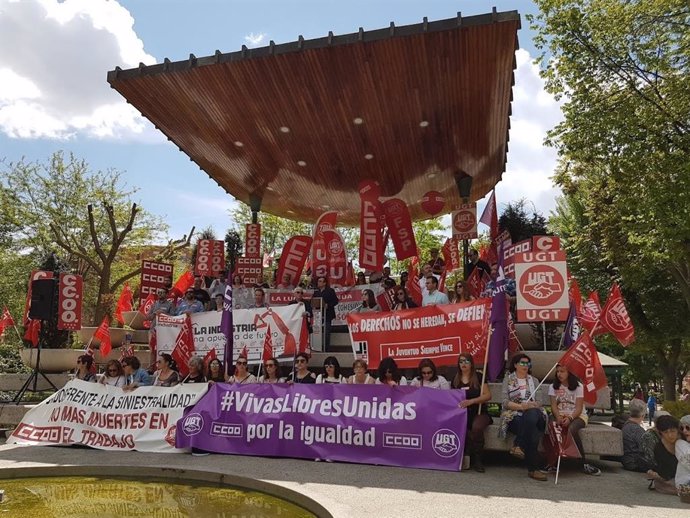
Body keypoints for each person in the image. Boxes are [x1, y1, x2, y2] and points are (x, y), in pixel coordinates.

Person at [499, 353, 548, 481]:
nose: (525, 366)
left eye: (527, 363)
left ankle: (518, 444)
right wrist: (521, 407)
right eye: (522, 363)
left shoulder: (534, 381)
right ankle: (533, 469)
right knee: (533, 431)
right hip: (514, 415)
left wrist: (531, 405)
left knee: (532, 414)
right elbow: (504, 402)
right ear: (515, 365)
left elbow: (540, 401)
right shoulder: (508, 380)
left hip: (535, 414)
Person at [548, 364, 601, 476]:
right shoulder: (553, 387)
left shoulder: (578, 387)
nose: (559, 374)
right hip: (559, 414)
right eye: (557, 372)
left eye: (562, 371)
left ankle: (582, 463)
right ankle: (553, 462)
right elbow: (553, 405)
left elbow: (578, 408)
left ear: (569, 373)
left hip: (577, 416)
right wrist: (558, 417)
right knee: (552, 428)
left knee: (571, 429)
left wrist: (570, 418)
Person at [452, 353, 492, 472]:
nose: (463, 364)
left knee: (477, 427)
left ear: (471, 363)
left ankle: (478, 459)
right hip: (463, 413)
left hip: (479, 412)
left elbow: (488, 395)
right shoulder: (455, 379)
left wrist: (472, 401)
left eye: (466, 361)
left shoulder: (479, 376)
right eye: (461, 361)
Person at [646, 415, 680, 494]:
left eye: (672, 431)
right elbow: (666, 474)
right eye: (666, 432)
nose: (670, 435)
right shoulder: (659, 449)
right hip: (672, 477)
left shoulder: (684, 440)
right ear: (660, 433)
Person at [621, 398, 651, 472]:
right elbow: (646, 449)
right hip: (635, 463)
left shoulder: (626, 425)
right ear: (643, 415)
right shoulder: (637, 430)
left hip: (627, 460)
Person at [314, 276, 338, 351]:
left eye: (321, 281)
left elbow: (336, 301)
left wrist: (328, 305)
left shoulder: (330, 291)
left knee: (327, 332)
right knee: (317, 332)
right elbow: (313, 301)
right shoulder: (316, 292)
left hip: (327, 314)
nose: (319, 283)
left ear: (324, 283)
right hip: (318, 315)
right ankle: (317, 347)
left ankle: (326, 348)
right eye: (318, 281)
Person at [676, 415, 690, 489]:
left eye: (688, 428)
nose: (684, 431)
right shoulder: (680, 444)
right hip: (686, 484)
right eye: (682, 428)